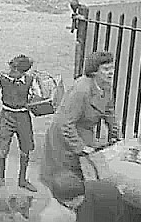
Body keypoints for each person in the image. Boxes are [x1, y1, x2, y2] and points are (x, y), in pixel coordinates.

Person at [40, 51, 118, 187]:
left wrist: (116, 136)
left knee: (83, 178)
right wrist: (81, 147)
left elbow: (109, 112)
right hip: (64, 140)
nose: (111, 72)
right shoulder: (81, 90)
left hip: (83, 133)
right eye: (106, 69)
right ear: (94, 71)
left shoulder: (106, 86)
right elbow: (65, 124)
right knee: (64, 184)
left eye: (112, 68)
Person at [0, 54, 43, 192]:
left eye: (15, 70)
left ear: (23, 71)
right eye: (11, 68)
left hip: (23, 116)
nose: (11, 72)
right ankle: (0, 176)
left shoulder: (31, 80)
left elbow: (39, 97)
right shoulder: (2, 79)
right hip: (7, 114)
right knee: (3, 146)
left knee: (26, 148)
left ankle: (22, 179)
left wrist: (34, 94)